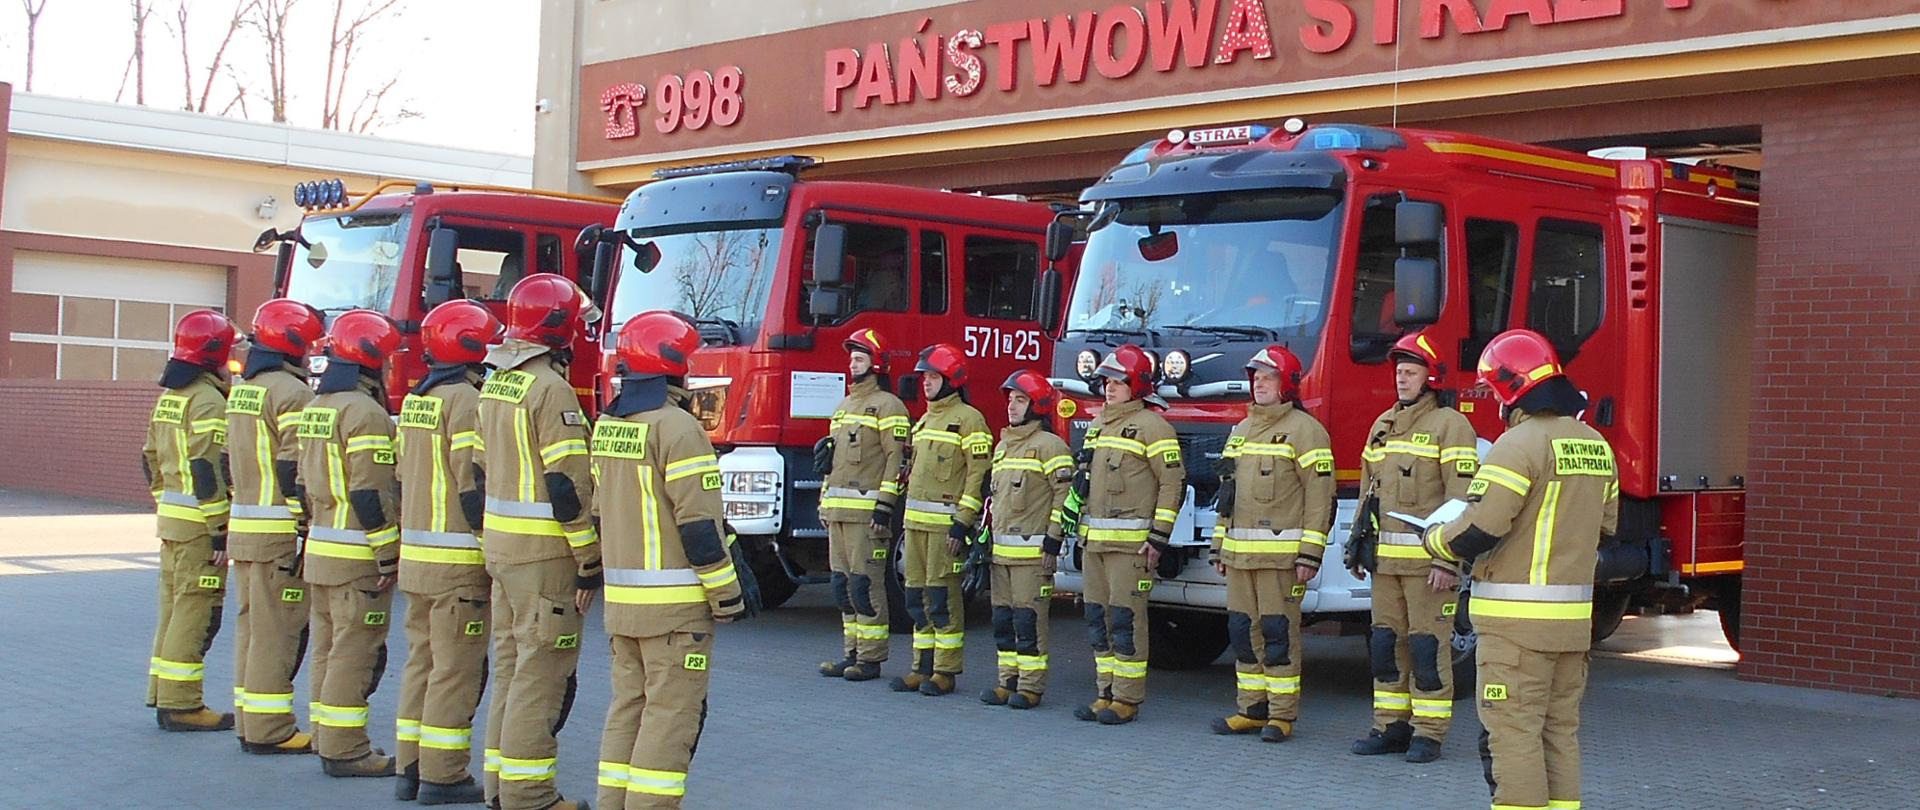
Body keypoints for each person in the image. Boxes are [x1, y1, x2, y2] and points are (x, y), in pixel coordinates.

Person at [1424, 329, 1618, 810]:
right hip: (1573, 626)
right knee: (1558, 734)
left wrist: (1434, 540)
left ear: (1511, 387)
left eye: (1492, 389)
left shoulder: (1517, 444)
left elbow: (1482, 529)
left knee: (1513, 736)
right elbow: (1607, 526)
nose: (1492, 398)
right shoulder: (1596, 444)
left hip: (1516, 631)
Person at [591, 311, 756, 810]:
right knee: (669, 718)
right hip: (676, 610)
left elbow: (599, 512)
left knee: (628, 710)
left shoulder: (609, 425)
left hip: (623, 607)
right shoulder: (679, 428)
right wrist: (728, 595)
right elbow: (700, 528)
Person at [477, 274, 601, 810]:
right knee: (542, 673)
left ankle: (499, 788)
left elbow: (480, 469)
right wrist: (588, 557)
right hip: (545, 555)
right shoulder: (550, 389)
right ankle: (529, 794)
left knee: (510, 667)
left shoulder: (495, 382)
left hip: (502, 552)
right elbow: (566, 485)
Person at [1351, 331, 1479, 763]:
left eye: (1411, 372)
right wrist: (1356, 546)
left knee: (1427, 649)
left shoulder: (1451, 426)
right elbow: (1370, 490)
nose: (1401, 379)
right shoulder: (1383, 425)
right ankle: (1390, 728)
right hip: (1385, 565)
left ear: (1431, 377)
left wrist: (1449, 559)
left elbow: (1462, 500)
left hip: (1429, 568)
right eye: (1399, 372)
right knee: (1386, 647)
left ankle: (1429, 733)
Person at [393, 300, 501, 804]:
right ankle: (443, 774)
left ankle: (410, 768)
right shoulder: (466, 401)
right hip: (457, 563)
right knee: (456, 672)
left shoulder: (419, 399)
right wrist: (492, 546)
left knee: (422, 663)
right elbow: (470, 483)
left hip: (415, 558)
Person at [1208, 345, 1334, 743]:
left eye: (1268, 377)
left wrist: (1310, 554)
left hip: (1282, 561)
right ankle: (1251, 709)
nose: (1258, 383)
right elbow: (1226, 495)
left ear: (1288, 385)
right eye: (1255, 376)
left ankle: (1281, 715)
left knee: (1278, 634)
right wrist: (1218, 546)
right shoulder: (1240, 431)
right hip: (1240, 558)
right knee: (1242, 632)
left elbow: (1319, 498)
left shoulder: (1306, 431)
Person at [296, 308, 403, 777]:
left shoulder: (317, 408)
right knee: (354, 653)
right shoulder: (366, 413)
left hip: (320, 549)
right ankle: (345, 750)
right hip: (356, 556)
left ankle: (324, 735)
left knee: (325, 647)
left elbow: (299, 483)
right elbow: (368, 491)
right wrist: (387, 551)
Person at [226, 298, 324, 754]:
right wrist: (306, 524)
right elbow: (293, 468)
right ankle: (270, 730)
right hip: (277, 535)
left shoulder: (244, 390)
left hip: (244, 528)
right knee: (277, 632)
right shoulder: (293, 393)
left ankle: (250, 721)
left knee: (250, 628)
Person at [1071, 344, 1184, 726]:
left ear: (1136, 383)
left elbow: (1172, 483)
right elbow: (1083, 484)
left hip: (1131, 546)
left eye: (1117, 381)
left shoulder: (1154, 427)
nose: (1109, 388)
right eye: (1106, 381)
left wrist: (1158, 537)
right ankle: (1105, 691)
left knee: (1125, 620)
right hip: (1095, 544)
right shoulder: (1098, 425)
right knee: (1097, 619)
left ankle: (1127, 698)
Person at [143, 309, 239, 732]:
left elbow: (149, 459)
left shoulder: (171, 396)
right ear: (215, 353)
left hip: (172, 522)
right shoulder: (208, 399)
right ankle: (183, 704)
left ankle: (162, 695)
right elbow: (207, 467)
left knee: (171, 609)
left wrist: (165, 502)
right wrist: (219, 530)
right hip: (200, 526)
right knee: (195, 612)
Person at [891, 343, 991, 697]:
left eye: (933, 377)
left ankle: (945, 672)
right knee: (916, 598)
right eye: (925, 378)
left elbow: (978, 475)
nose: (926, 384)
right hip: (915, 527)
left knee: (942, 597)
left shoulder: (969, 419)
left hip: (945, 529)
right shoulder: (926, 418)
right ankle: (922, 666)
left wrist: (963, 522)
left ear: (952, 379)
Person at [813, 329, 909, 682]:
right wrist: (824, 499)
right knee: (842, 585)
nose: (852, 364)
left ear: (877, 363)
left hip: (867, 516)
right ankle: (851, 652)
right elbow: (832, 463)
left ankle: (870, 659)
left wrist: (884, 507)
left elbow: (895, 462)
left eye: (859, 358)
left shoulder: (890, 408)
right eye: (851, 358)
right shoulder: (842, 407)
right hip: (838, 512)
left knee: (864, 585)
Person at [979, 370, 1073, 710]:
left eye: (1020, 400)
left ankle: (1031, 687)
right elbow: (994, 500)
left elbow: (1065, 499)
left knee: (1028, 621)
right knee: (1003, 621)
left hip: (1033, 556)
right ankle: (1007, 682)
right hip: (1001, 556)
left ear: (1038, 405)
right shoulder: (1003, 446)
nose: (1011, 406)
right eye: (1010, 400)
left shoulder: (1051, 447)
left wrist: (1052, 542)